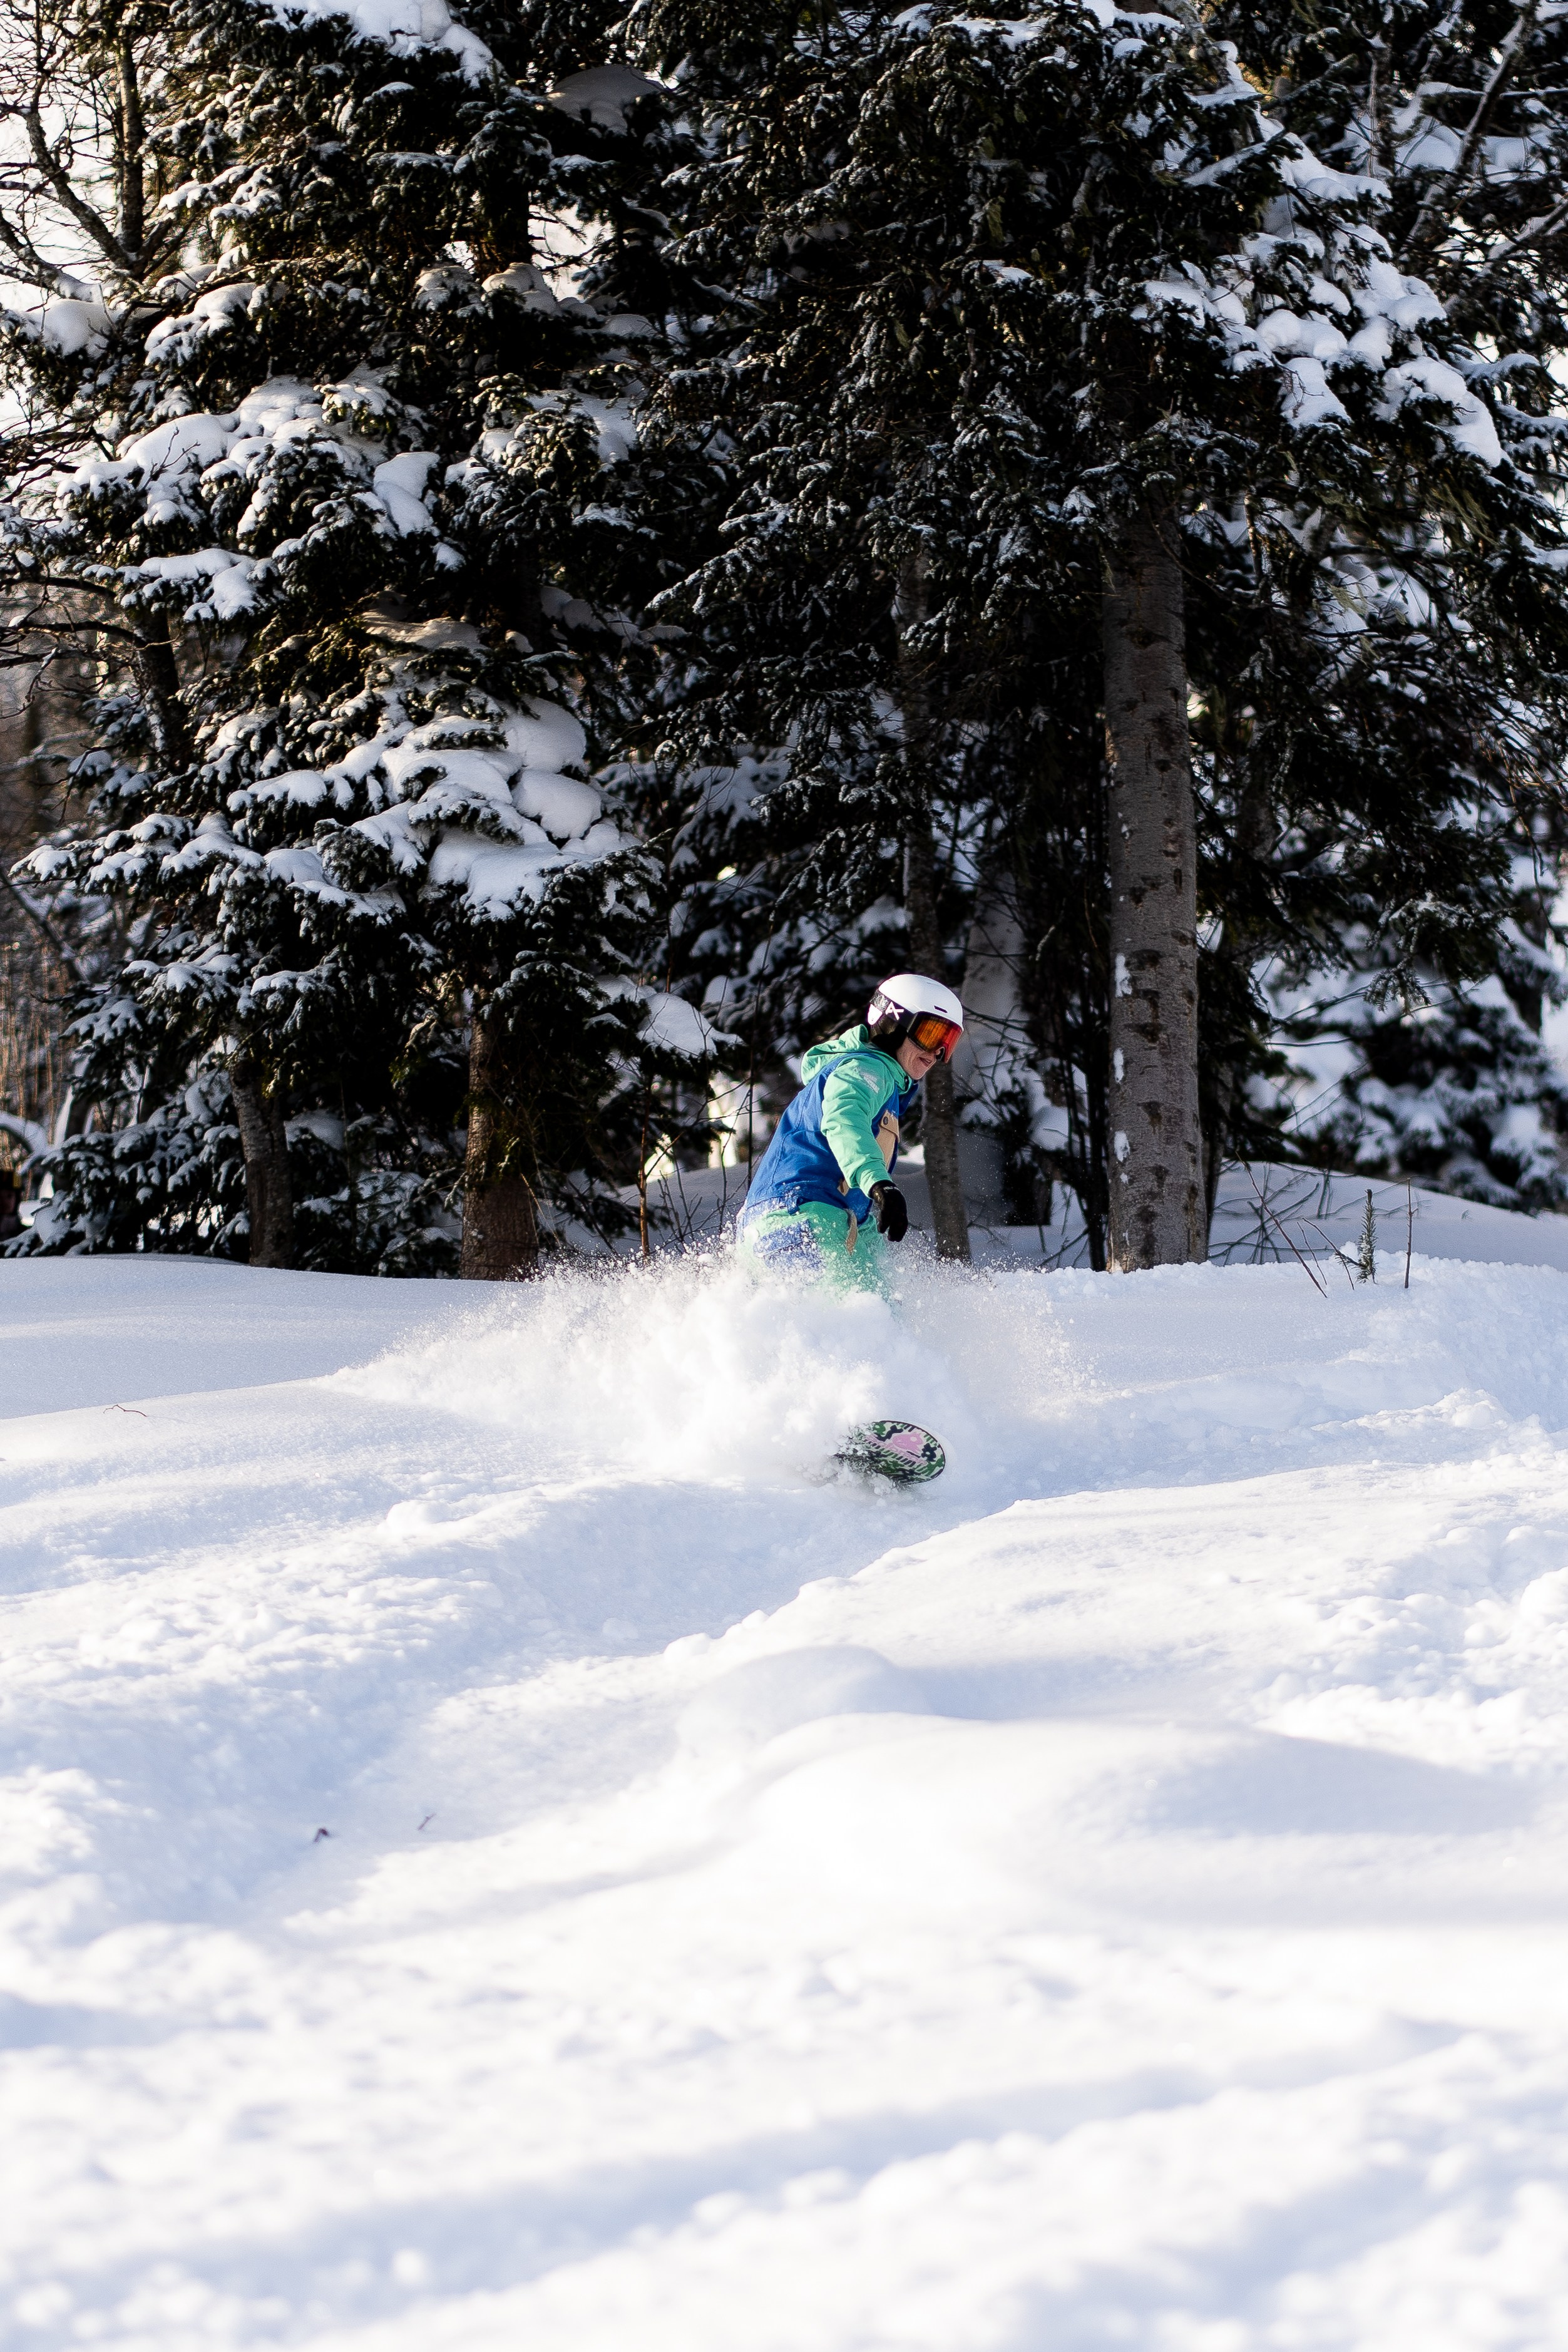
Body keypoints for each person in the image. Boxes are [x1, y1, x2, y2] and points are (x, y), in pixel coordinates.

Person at [737, 973, 965, 1291]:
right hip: (802, 1217)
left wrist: (870, 1235)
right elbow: (845, 1121)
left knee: (871, 1324)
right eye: (931, 1034)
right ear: (893, 1022)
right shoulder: (866, 1070)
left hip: (805, 1222)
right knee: (860, 1327)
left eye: (948, 1042)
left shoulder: (880, 1081)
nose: (937, 1053)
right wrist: (880, 1183)